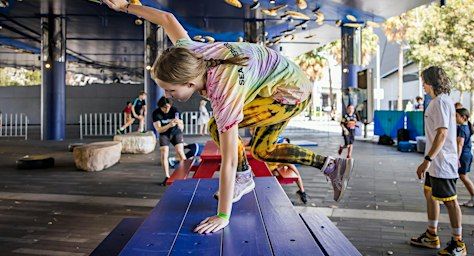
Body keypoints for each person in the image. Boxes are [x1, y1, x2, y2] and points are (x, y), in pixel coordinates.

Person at [102, 0, 354, 235]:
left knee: (217, 128)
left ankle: (245, 178)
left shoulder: (224, 91)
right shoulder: (188, 52)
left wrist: (223, 215)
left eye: (171, 90)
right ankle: (331, 165)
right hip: (282, 79)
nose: (168, 96)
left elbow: (229, 161)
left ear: (189, 82)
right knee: (264, 150)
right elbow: (167, 19)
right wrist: (125, 6)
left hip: (290, 93)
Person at [410, 66, 466, 255]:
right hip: (437, 162)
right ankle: (431, 235)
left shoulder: (440, 102)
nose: (422, 85)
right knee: (430, 194)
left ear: (430, 82)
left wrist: (427, 159)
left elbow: (442, 133)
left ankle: (458, 244)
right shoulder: (438, 101)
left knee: (450, 201)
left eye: (424, 81)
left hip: (442, 162)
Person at [152, 96, 186, 186]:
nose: (167, 109)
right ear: (160, 106)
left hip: (176, 132)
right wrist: (169, 125)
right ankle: (167, 176)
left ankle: (184, 175)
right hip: (164, 134)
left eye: (168, 107)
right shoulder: (156, 113)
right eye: (164, 107)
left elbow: (182, 125)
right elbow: (159, 129)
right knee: (164, 153)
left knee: (180, 152)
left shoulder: (175, 110)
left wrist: (179, 123)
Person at [267, 138, 308, 204]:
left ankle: (302, 192)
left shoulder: (282, 153)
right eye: (284, 145)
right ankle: (283, 199)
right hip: (269, 170)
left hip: (275, 167)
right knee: (276, 174)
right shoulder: (271, 151)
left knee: (295, 172)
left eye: (286, 145)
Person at [455, 108, 474, 207]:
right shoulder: (465, 127)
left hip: (463, 156)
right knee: (462, 176)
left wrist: (457, 158)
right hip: (466, 155)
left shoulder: (462, 128)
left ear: (463, 117)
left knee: (462, 176)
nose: (455, 118)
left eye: (456, 116)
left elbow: (460, 144)